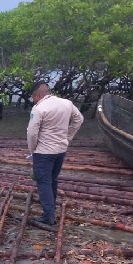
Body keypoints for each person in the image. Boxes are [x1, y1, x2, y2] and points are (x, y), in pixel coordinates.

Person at [27, 82, 84, 225]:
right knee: (52, 179)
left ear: (37, 95)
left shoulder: (38, 108)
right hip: (60, 150)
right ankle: (50, 211)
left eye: (33, 97)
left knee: (43, 182)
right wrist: (68, 137)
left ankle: (48, 216)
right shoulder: (67, 103)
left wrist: (32, 149)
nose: (33, 100)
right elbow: (79, 120)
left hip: (44, 152)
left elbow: (32, 133)